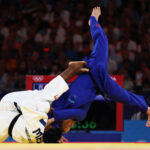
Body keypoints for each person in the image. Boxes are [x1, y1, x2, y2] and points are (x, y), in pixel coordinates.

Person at [49, 7, 150, 131]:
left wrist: (52, 118)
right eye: (70, 127)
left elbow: (55, 93)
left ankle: (93, 21)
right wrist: (55, 123)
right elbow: (64, 117)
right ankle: (147, 109)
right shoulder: (79, 115)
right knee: (125, 97)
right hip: (100, 82)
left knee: (102, 40)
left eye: (68, 127)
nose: (72, 126)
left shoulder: (56, 106)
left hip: (92, 70)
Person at [0, 61, 88, 143]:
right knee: (43, 98)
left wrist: (48, 108)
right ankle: (72, 70)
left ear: (46, 129)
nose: (50, 124)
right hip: (9, 120)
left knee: (45, 96)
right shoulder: (41, 138)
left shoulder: (39, 124)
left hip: (10, 104)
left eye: (51, 126)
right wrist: (55, 138)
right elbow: (47, 138)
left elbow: (26, 104)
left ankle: (72, 69)